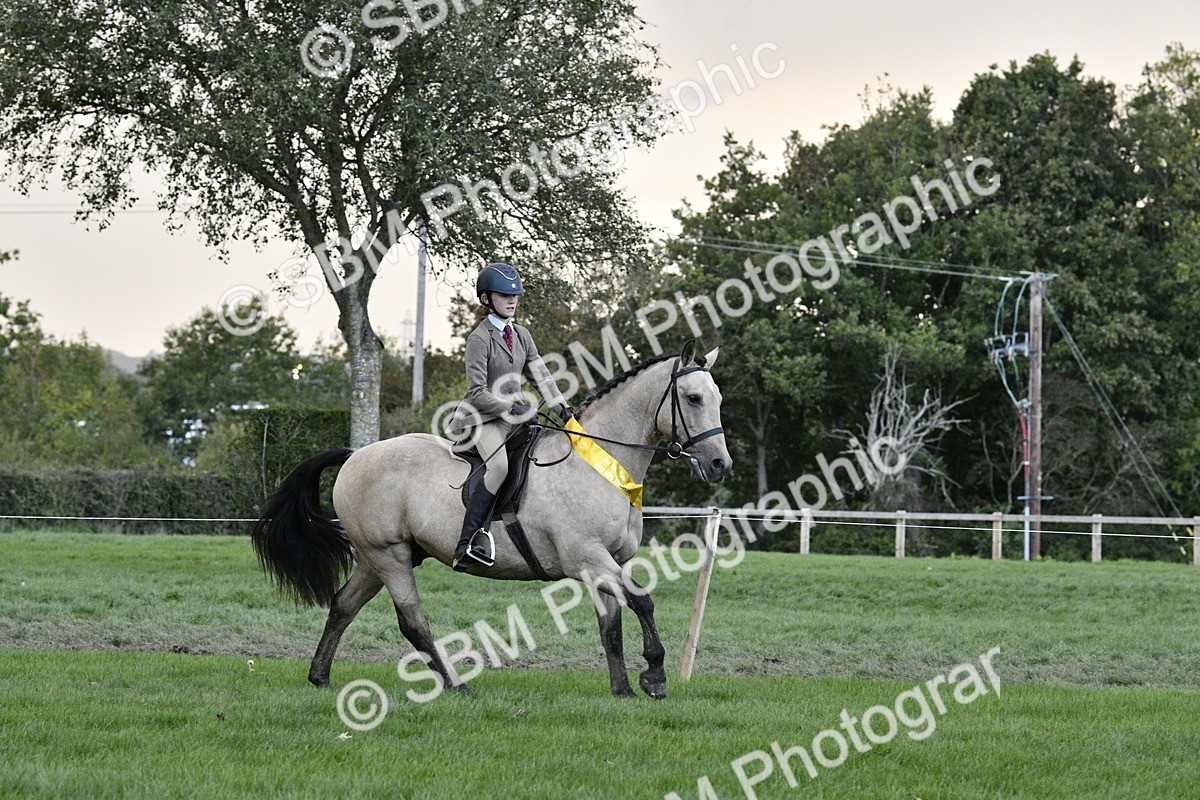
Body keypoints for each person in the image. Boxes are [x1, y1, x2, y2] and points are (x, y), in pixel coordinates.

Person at [449, 262, 573, 570]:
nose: (512, 300)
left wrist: (563, 409)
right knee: (500, 467)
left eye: (515, 295)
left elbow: (542, 377)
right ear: (487, 299)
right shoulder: (479, 338)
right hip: (484, 417)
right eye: (505, 295)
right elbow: (477, 391)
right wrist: (508, 408)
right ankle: (466, 544)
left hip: (516, 416)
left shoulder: (522, 335)